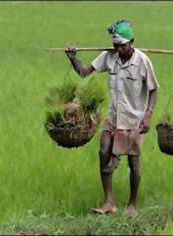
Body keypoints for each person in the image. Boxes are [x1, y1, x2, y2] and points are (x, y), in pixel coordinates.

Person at [65, 19, 159, 215]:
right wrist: (73, 59)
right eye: (115, 45)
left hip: (134, 120)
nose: (118, 49)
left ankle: (132, 204)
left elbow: (153, 90)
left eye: (122, 45)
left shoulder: (142, 62)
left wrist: (148, 115)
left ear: (131, 42)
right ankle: (109, 201)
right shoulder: (109, 57)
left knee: (134, 162)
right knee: (103, 150)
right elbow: (84, 73)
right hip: (114, 117)